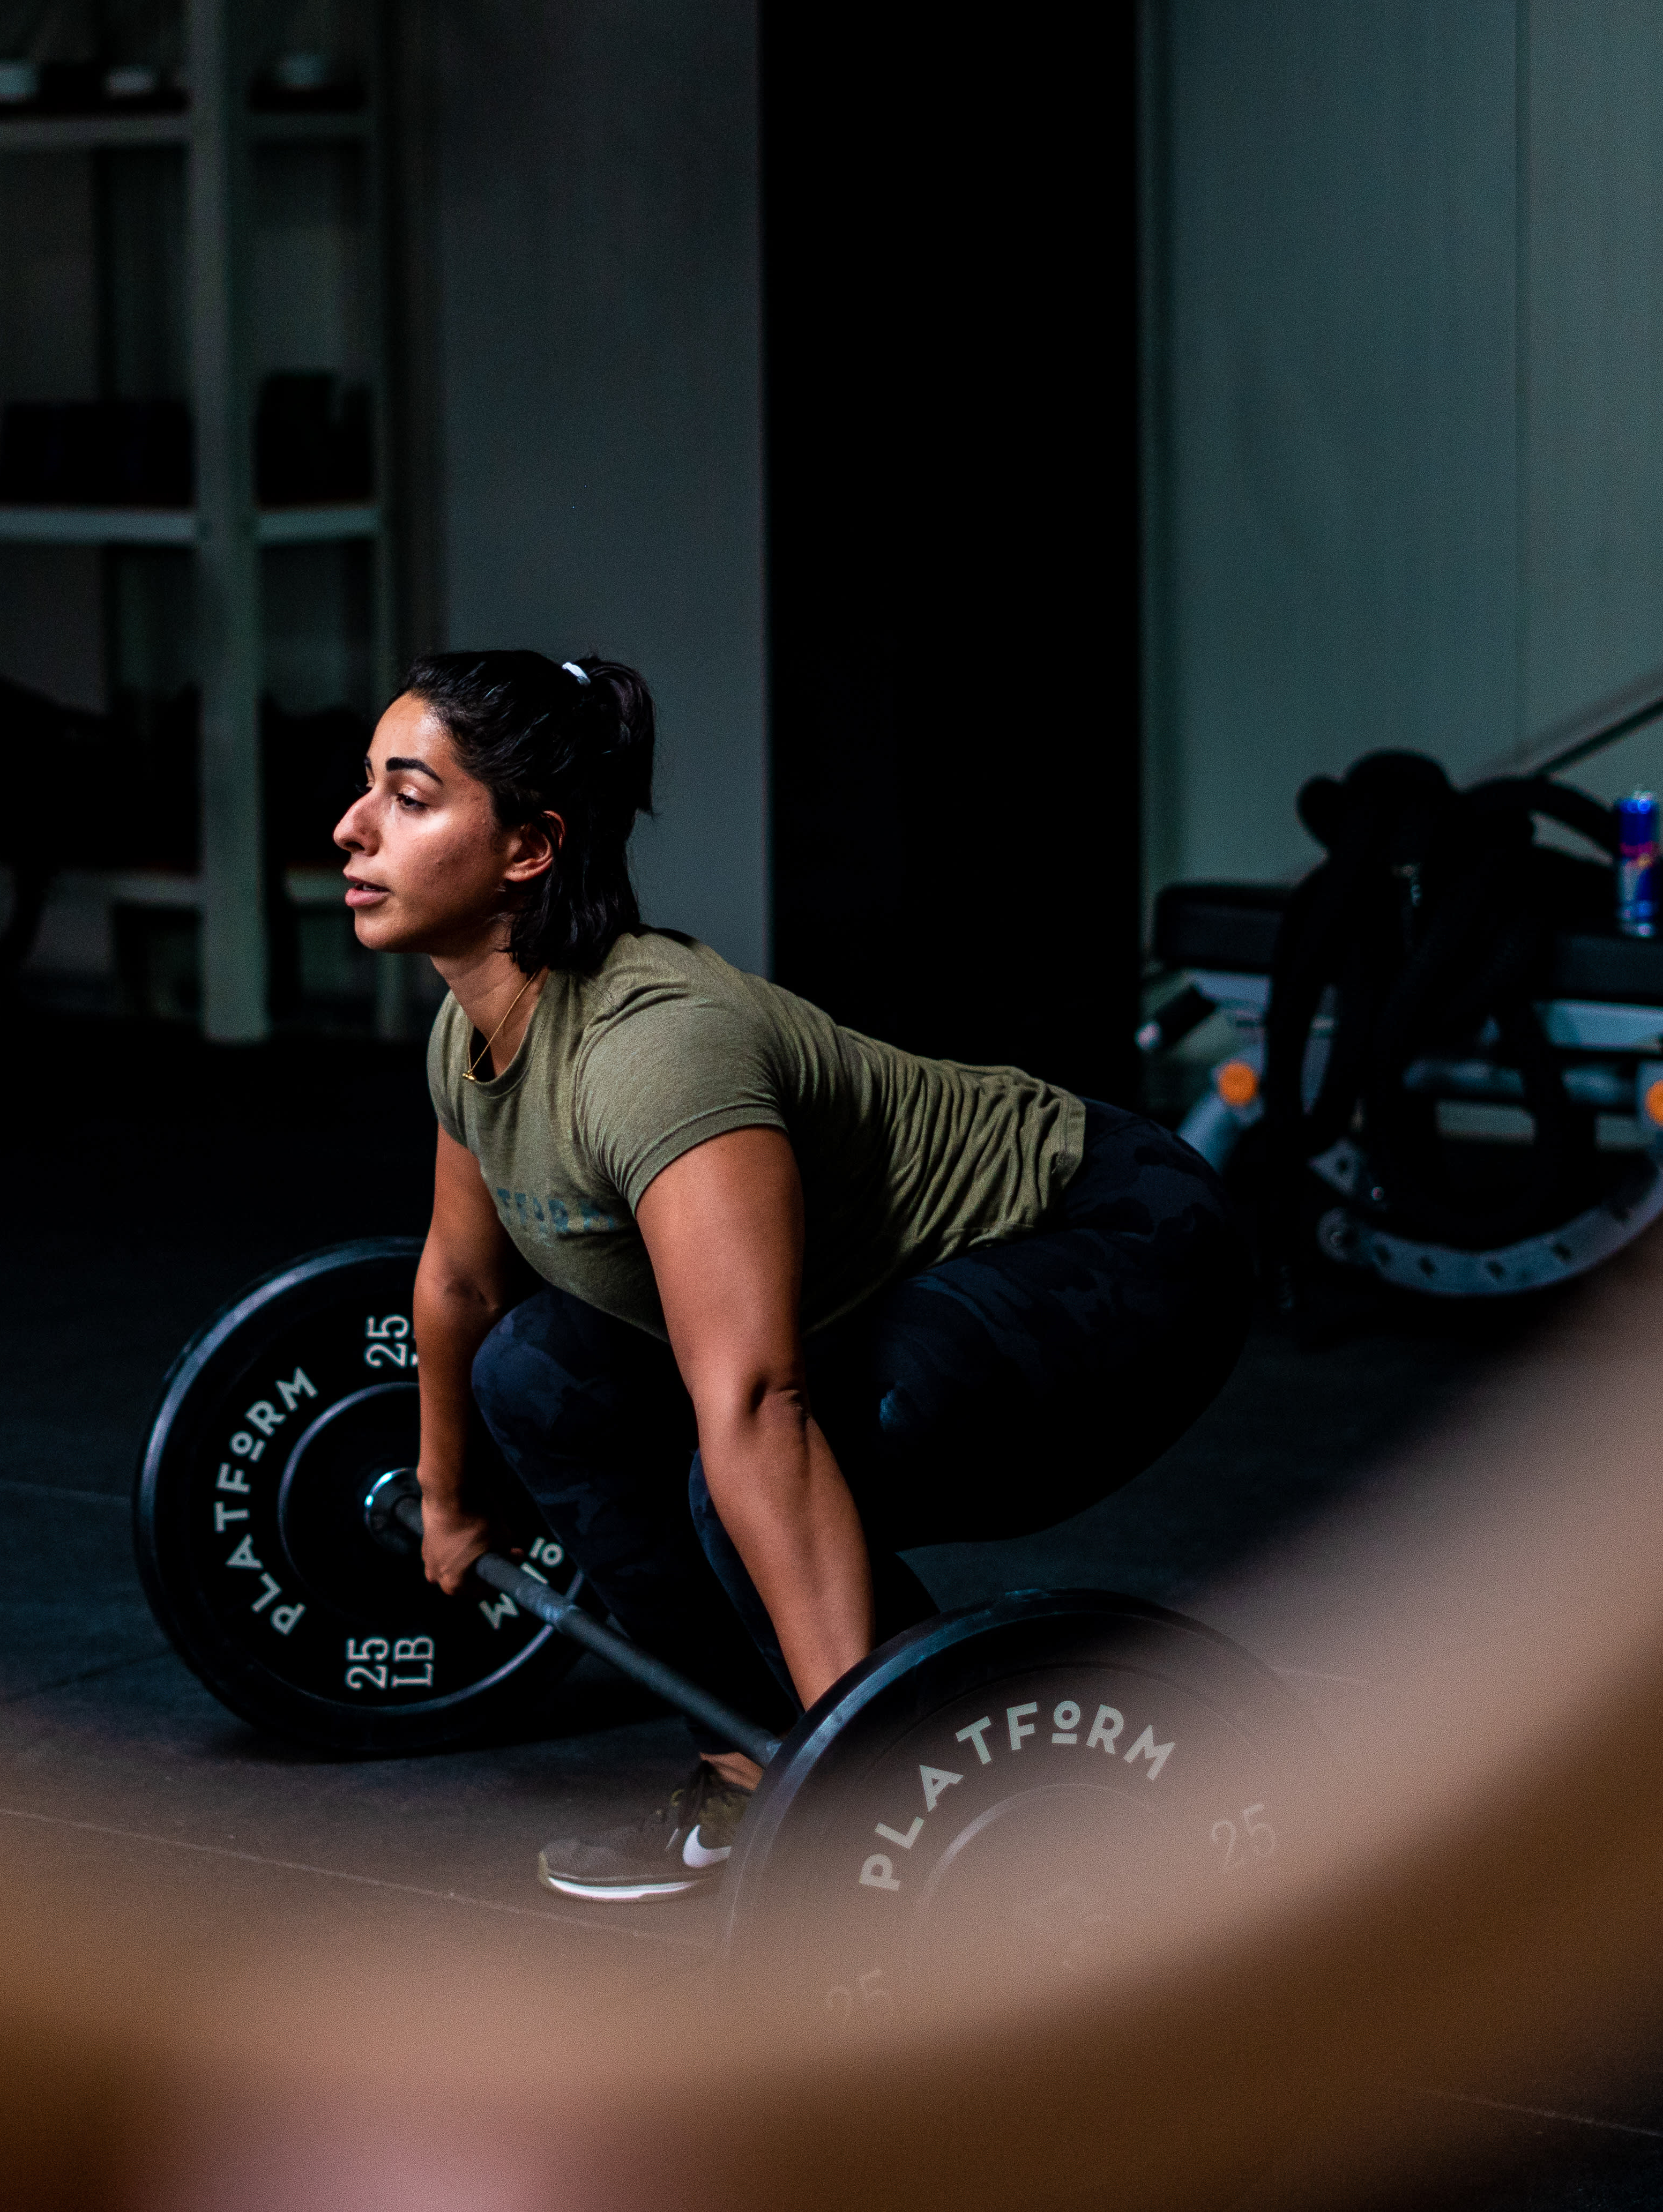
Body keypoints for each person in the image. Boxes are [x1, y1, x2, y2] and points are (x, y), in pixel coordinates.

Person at [332, 648, 1255, 1903]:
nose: (352, 828)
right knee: (535, 1377)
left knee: (750, 1479)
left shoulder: (657, 1056)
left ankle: (921, 1793)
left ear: (530, 848)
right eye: (368, 790)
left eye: (407, 797)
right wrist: (446, 1496)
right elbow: (463, 1290)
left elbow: (761, 1403)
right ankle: (746, 1766)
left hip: (1110, 1241)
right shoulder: (473, 1030)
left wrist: (871, 1787)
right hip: (899, 1279)